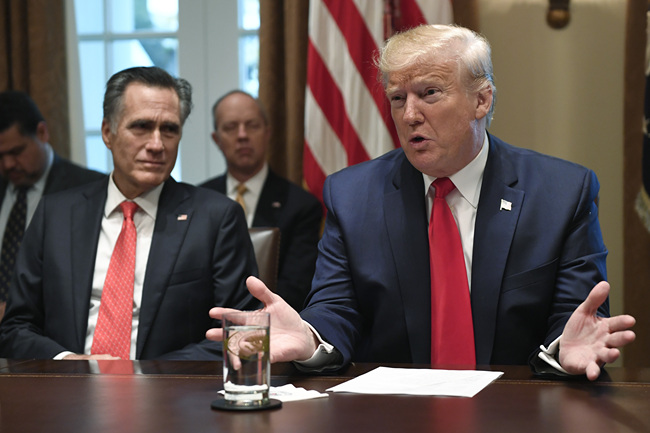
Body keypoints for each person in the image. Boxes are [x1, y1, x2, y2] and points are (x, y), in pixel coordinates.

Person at [206, 24, 636, 380]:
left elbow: (575, 316)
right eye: (398, 98)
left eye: (429, 93)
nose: (410, 114)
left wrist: (565, 349)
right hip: (394, 414)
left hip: (517, 410)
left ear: (481, 100)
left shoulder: (562, 192)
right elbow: (337, 308)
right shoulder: (353, 195)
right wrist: (311, 338)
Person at [0, 66, 259, 360]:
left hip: (169, 396)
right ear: (108, 133)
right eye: (141, 127)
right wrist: (70, 363)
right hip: (68, 389)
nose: (157, 145)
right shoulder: (55, 215)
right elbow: (15, 329)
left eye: (170, 130)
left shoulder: (216, 218)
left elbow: (241, 335)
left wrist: (138, 376)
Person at [200, 90, 322, 311]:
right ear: (216, 139)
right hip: (208, 326)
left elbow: (296, 287)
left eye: (252, 125)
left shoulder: (301, 206)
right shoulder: (198, 201)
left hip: (270, 328)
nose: (242, 135)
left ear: (267, 133)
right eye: (230, 127)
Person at [0, 91, 106, 319]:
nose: (8, 164)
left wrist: (12, 310)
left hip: (49, 333)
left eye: (16, 152)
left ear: (42, 132)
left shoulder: (90, 188)